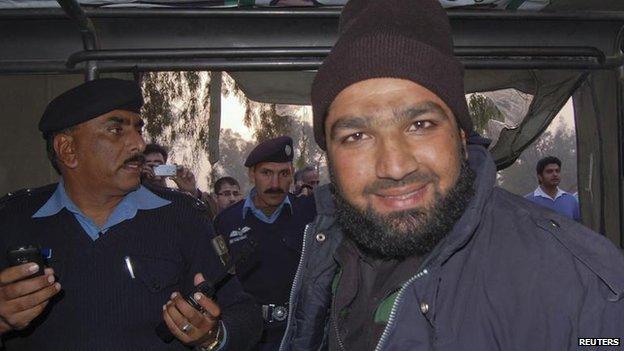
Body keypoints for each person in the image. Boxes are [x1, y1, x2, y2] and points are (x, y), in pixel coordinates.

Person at [279, 0, 624, 350]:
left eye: (420, 125)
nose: (395, 167)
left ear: (461, 137)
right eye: (356, 136)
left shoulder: (579, 282)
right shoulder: (329, 248)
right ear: (330, 157)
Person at [0, 78, 262, 350]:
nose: (138, 144)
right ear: (68, 149)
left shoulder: (183, 217)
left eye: (139, 129)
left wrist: (212, 335)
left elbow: (244, 314)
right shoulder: (12, 220)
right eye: (116, 130)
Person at [213, 136, 316, 351]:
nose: (275, 184)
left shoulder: (309, 214)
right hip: (249, 336)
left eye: (284, 174)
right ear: (252, 175)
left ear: (291, 176)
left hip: (301, 334)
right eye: (266, 173)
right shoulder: (226, 222)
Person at [142, 143, 218, 219]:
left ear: (166, 168)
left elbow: (209, 217)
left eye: (159, 164)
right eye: (149, 165)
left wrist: (193, 192)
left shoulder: (176, 197)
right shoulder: (132, 196)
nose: (155, 168)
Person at [525, 156, 580, 221]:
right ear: (539, 177)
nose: (555, 174)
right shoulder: (527, 202)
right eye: (549, 171)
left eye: (557, 171)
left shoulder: (571, 200)